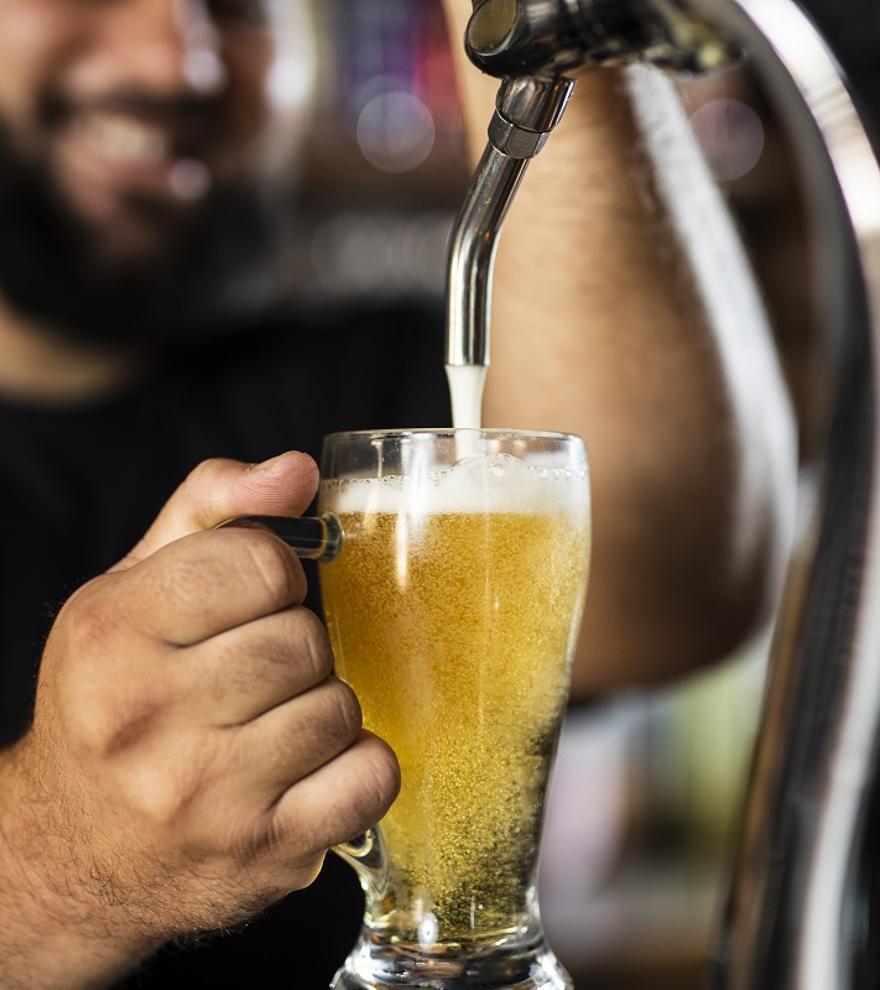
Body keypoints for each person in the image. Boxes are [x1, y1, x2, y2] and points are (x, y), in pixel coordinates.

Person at [0, 0, 807, 987]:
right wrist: (52, 859)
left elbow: (675, 578)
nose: (177, 58)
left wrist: (556, 30)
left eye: (243, 7)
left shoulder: (366, 400)